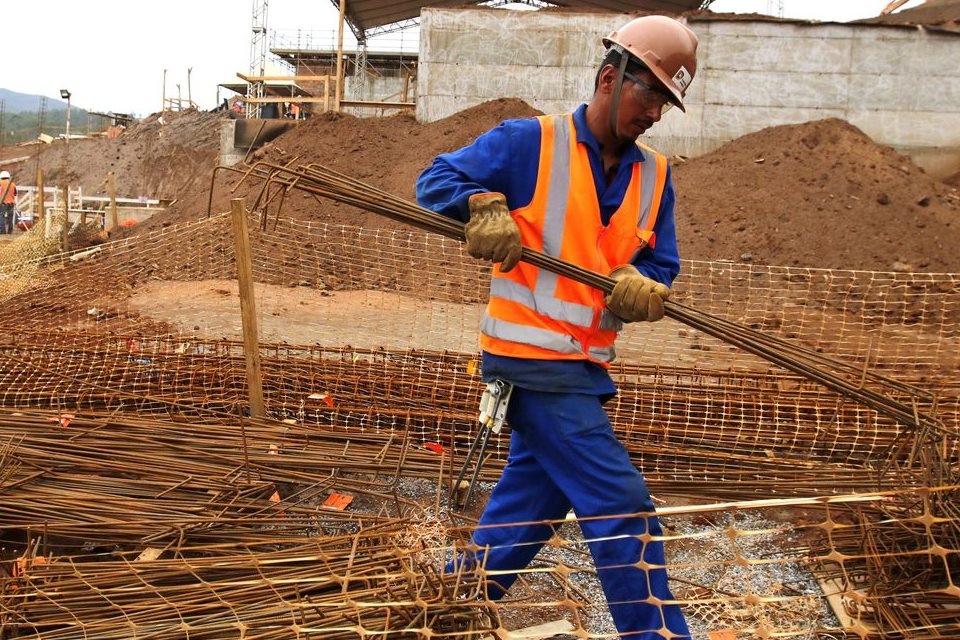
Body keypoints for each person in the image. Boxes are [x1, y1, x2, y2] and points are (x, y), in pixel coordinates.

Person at [416, 15, 698, 639]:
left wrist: (642, 284)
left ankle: (447, 600)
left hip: (584, 366)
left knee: (534, 502)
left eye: (665, 100)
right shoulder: (528, 143)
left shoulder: (655, 176)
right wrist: (481, 205)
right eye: (648, 91)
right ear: (608, 75)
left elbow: (661, 263)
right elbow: (434, 179)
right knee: (621, 503)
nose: (655, 111)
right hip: (528, 360)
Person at [0, 170, 17, 234]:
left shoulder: (0, 182)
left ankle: (2, 231)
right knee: (10, 217)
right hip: (11, 203)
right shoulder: (12, 184)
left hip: (3, 202)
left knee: (1, 216)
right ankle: (10, 231)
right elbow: (15, 193)